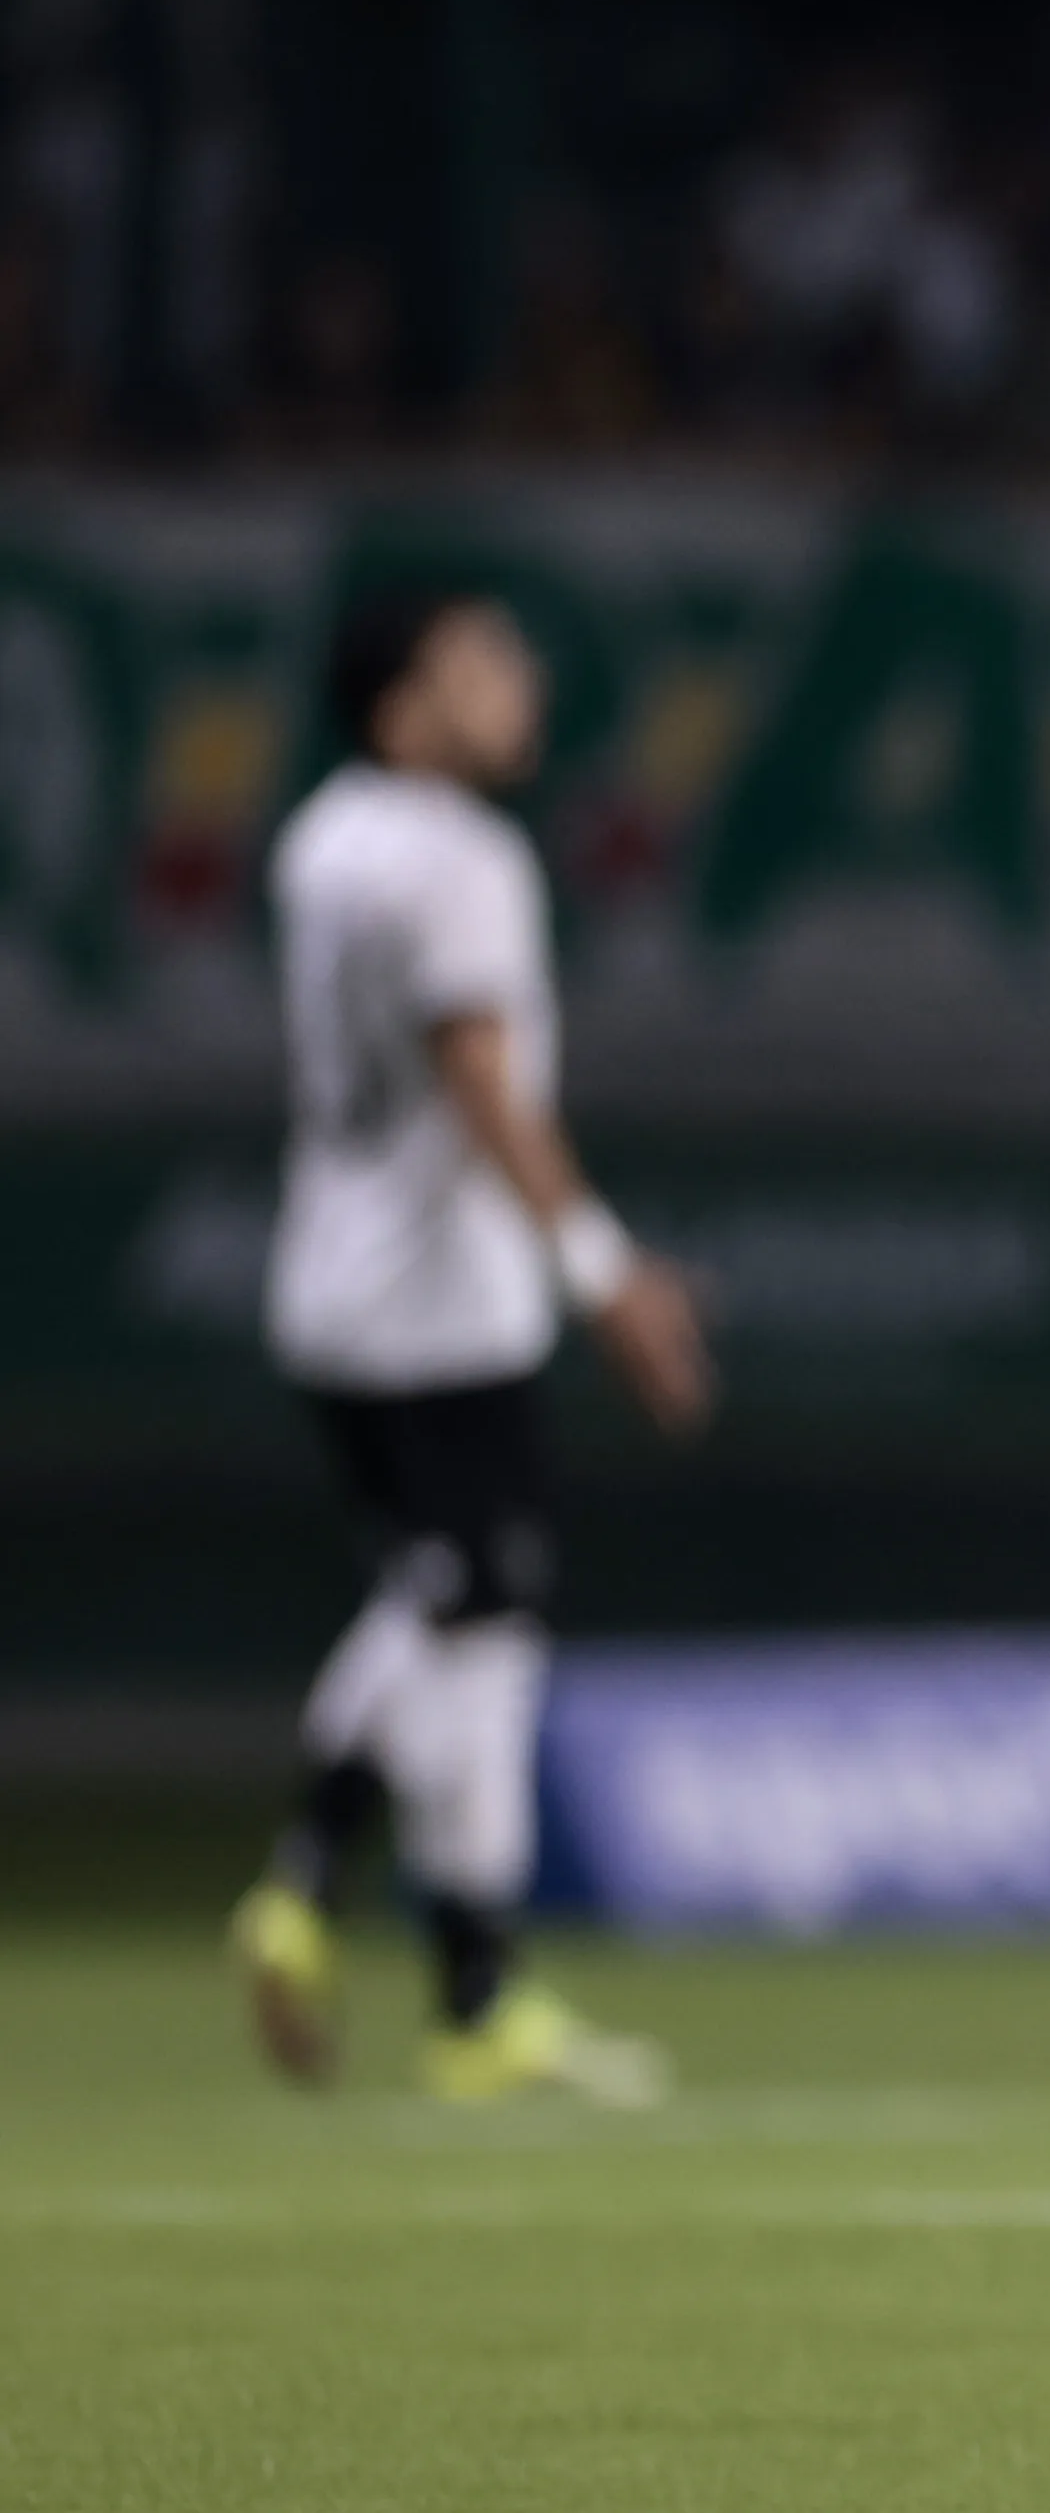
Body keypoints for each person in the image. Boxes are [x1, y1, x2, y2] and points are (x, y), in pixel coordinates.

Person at [228, 590, 710, 2107]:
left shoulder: (322, 840)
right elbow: (482, 1080)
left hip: (329, 1271)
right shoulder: (460, 860)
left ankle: (459, 1985)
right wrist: (604, 1269)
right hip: (442, 1298)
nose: (518, 685)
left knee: (469, 1622)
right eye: (478, 667)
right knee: (467, 1605)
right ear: (398, 706)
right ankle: (330, 1897)